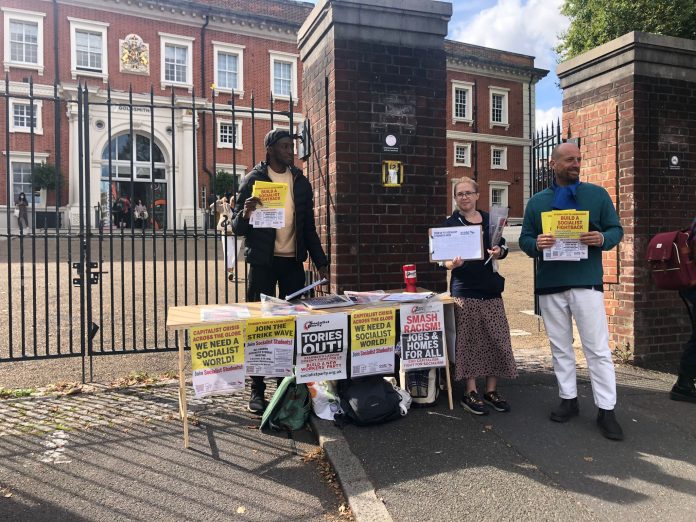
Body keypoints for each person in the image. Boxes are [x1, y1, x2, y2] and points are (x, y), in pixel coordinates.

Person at [520, 142, 625, 441]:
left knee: (597, 349)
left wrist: (602, 237)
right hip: (551, 283)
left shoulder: (597, 194)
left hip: (586, 281)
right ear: (553, 164)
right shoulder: (538, 202)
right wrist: (535, 244)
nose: (575, 164)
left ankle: (606, 409)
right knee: (560, 347)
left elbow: (616, 229)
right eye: (569, 160)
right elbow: (526, 238)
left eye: (578, 159)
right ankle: (568, 399)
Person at [233, 128, 329, 413]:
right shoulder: (253, 179)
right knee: (260, 325)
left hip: (292, 263)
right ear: (271, 150)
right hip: (262, 263)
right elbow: (236, 227)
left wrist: (321, 261)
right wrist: (246, 213)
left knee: (291, 325)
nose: (291, 152)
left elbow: (308, 227)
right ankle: (257, 388)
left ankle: (287, 384)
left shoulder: (301, 182)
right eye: (285, 147)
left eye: (292, 147)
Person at [442, 177, 517, 415]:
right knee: (469, 342)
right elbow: (440, 260)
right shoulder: (450, 224)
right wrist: (450, 264)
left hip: (491, 289)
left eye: (468, 193)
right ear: (455, 198)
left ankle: (491, 390)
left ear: (477, 195)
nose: (464, 197)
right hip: (465, 290)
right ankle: (470, 391)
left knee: (497, 339)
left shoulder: (491, 220)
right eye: (459, 194)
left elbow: (503, 246)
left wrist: (499, 252)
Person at [214, 192, 238, 282]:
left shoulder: (237, 209)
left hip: (235, 234)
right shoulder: (225, 206)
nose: (233, 201)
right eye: (232, 200)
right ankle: (230, 272)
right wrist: (220, 200)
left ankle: (231, 270)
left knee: (235, 253)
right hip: (226, 232)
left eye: (235, 200)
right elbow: (213, 206)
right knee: (229, 252)